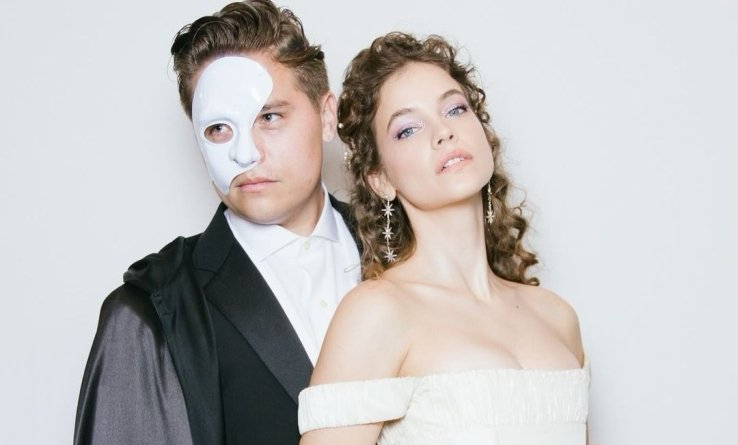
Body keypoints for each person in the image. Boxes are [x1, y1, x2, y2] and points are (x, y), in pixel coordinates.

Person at [74, 1, 360, 444]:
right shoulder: (151, 313)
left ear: (326, 116)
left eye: (269, 117)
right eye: (218, 130)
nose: (245, 154)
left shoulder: (411, 252)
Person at [298, 32, 589, 445]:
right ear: (380, 180)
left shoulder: (558, 318)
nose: (443, 132)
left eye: (455, 109)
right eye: (407, 130)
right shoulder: (376, 312)